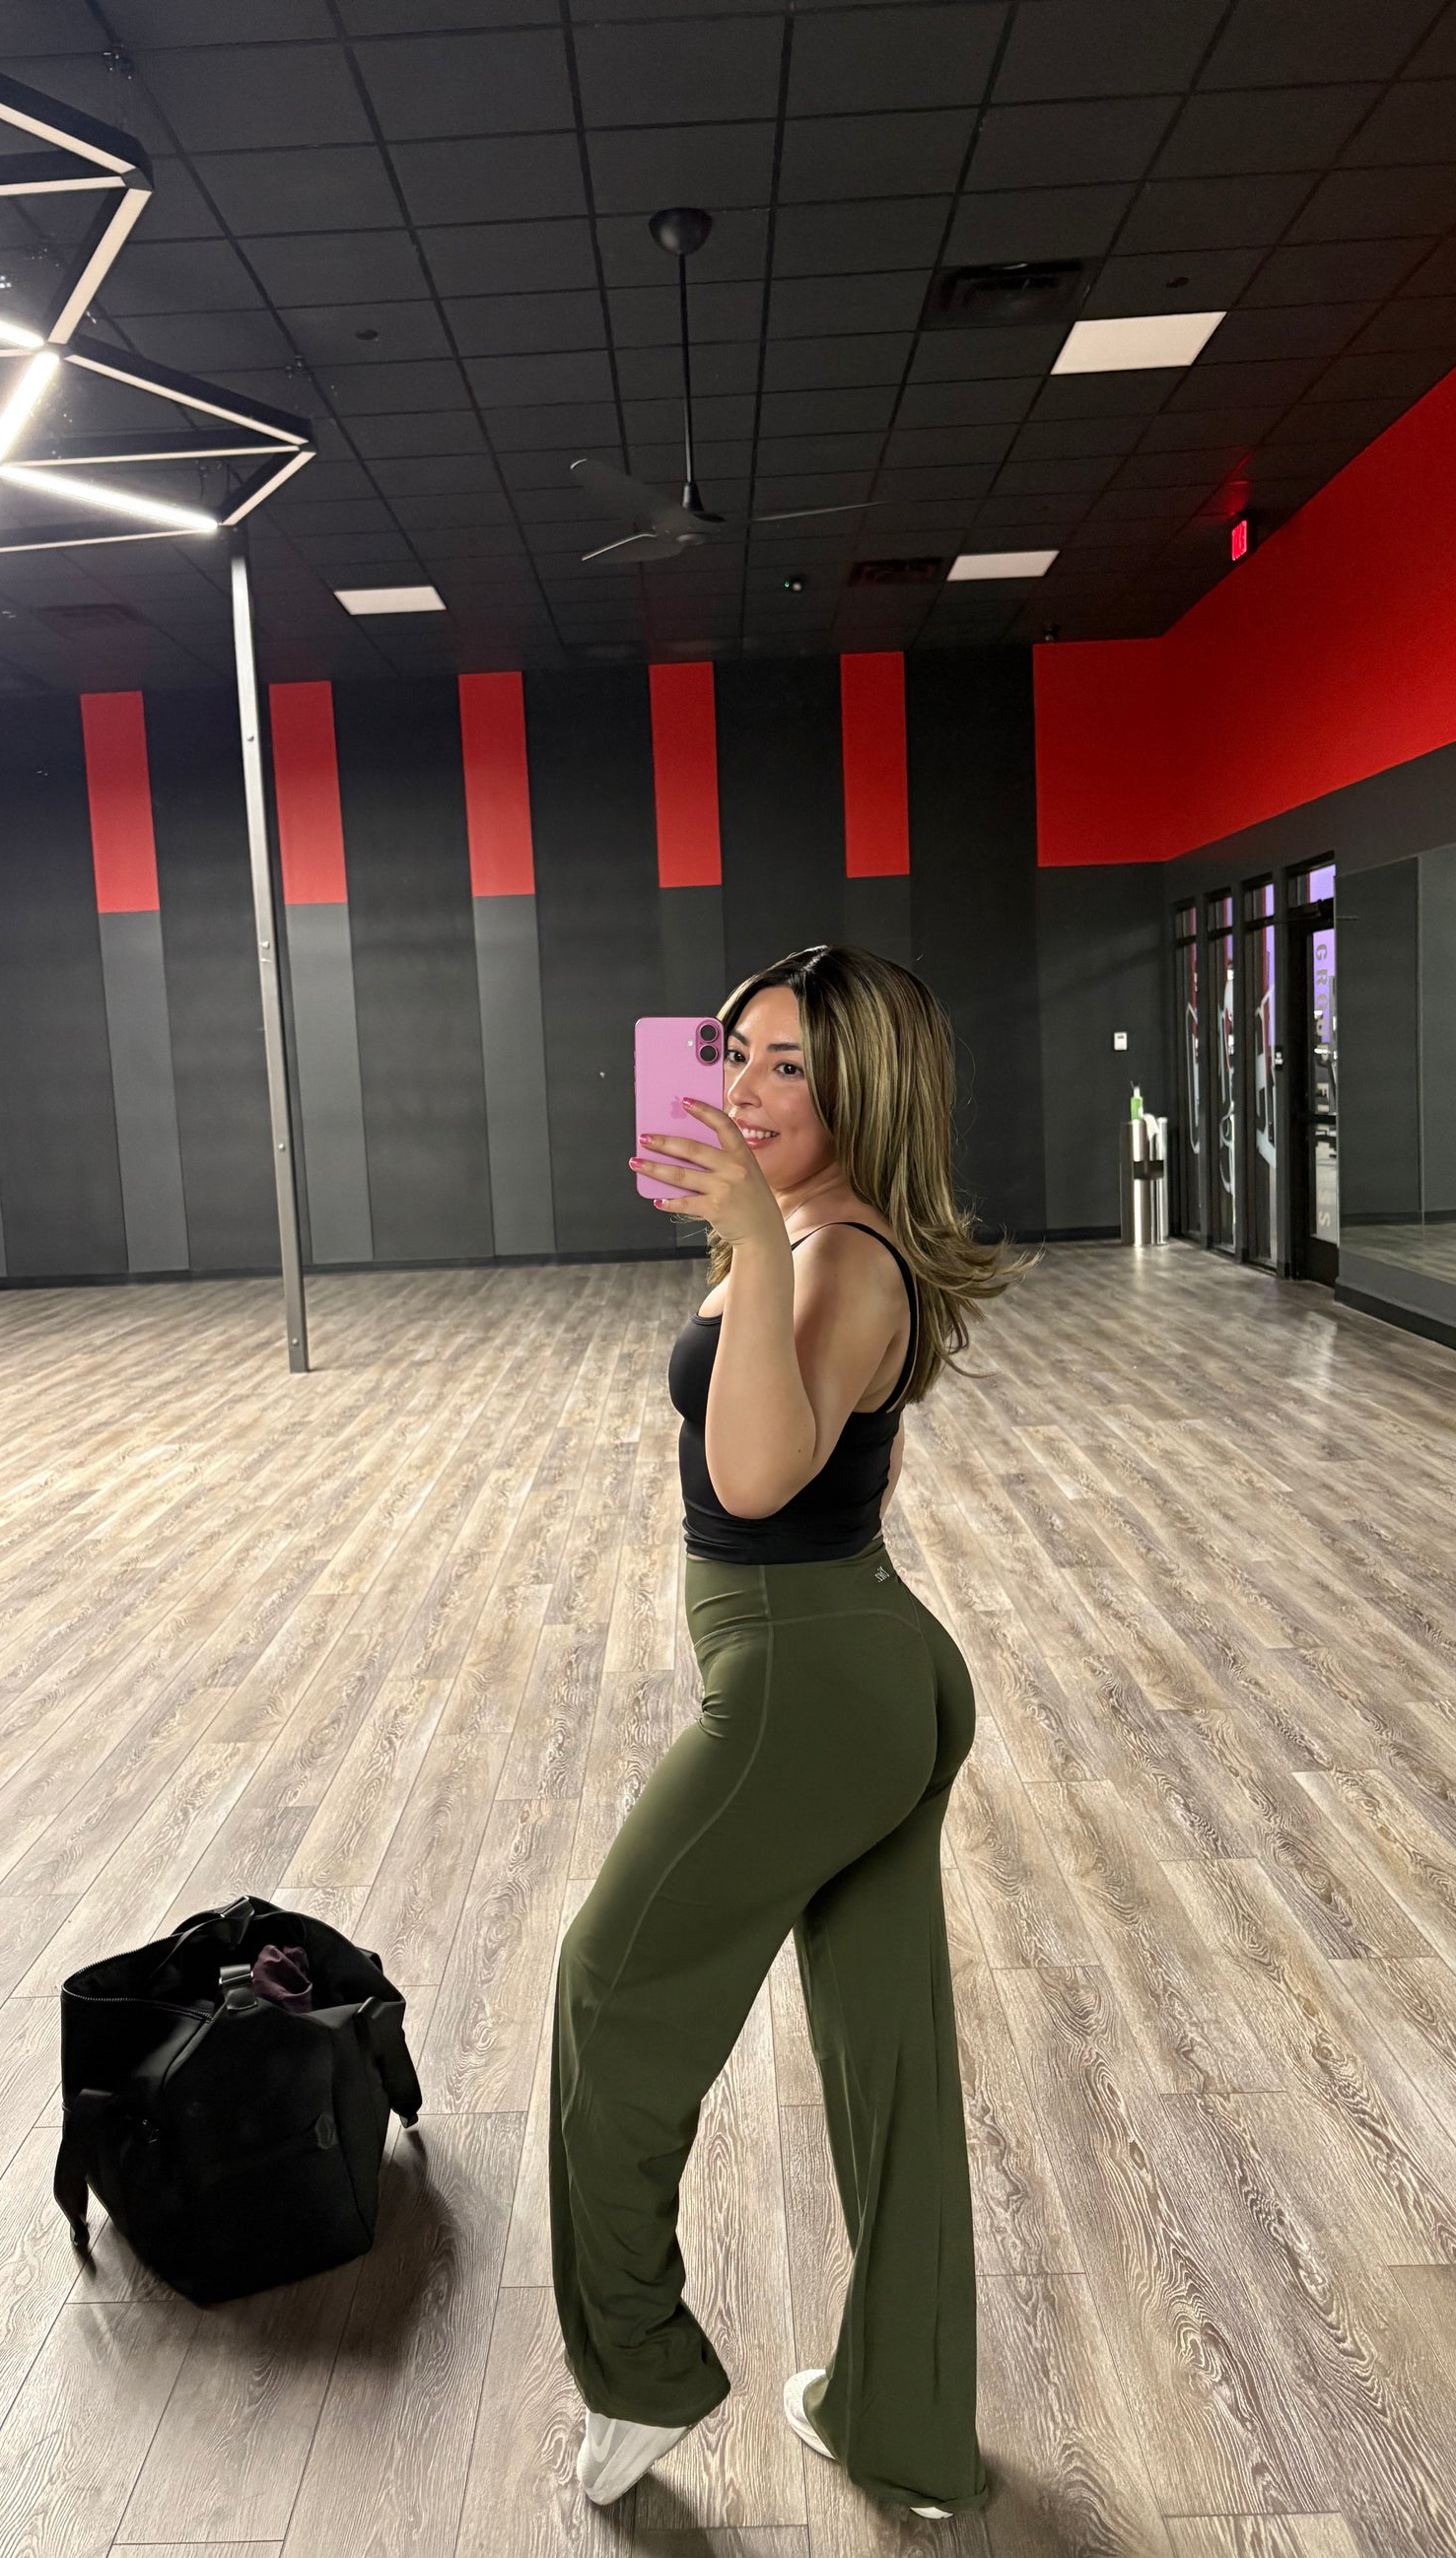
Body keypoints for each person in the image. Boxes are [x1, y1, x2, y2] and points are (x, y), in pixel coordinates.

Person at [549, 942, 1025, 2522]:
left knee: (610, 1987)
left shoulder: (835, 1257)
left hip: (803, 1690)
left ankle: (637, 2371)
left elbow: (752, 1483)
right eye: (733, 1053)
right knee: (887, 2061)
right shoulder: (829, 1236)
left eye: (788, 1065)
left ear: (863, 1087)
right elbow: (835, 1463)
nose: (744, 1088)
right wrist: (757, 1230)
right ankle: (900, 2421)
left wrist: (753, 1241)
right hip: (860, 1660)